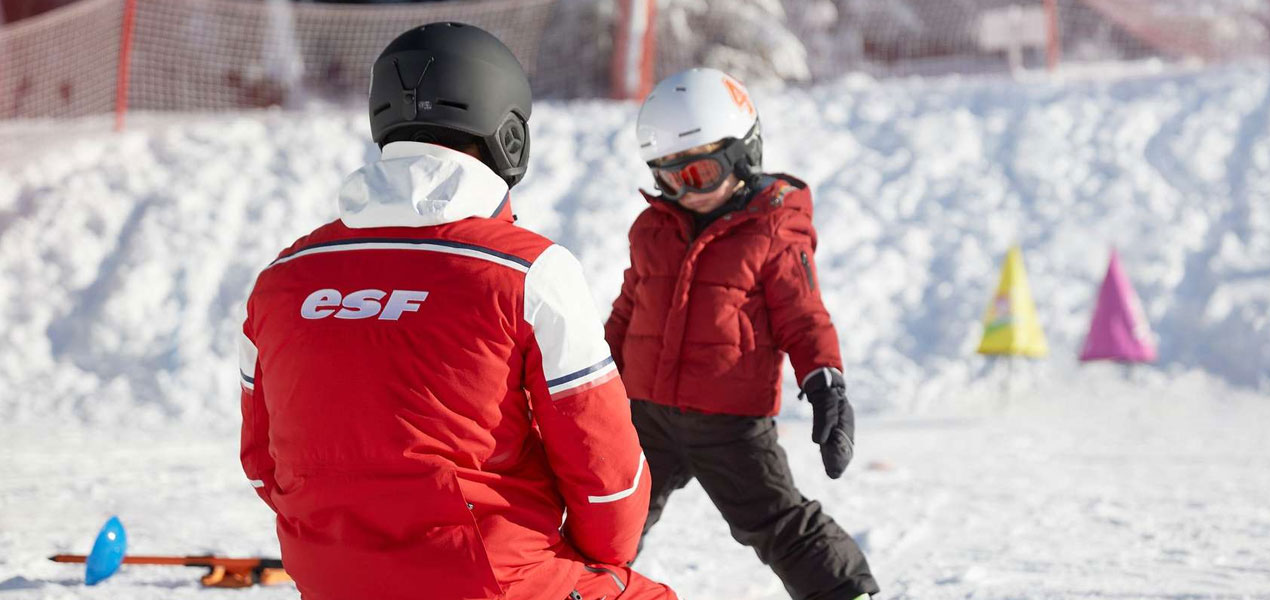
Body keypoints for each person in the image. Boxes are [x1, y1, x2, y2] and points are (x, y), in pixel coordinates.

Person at [238, 22, 675, 600]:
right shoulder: (528, 273)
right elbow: (608, 482)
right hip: (492, 581)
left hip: (330, 580)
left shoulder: (280, 279)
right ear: (509, 135)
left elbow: (262, 460)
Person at [605, 67, 879, 600]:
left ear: (742, 153)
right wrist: (586, 385)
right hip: (646, 416)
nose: (686, 192)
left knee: (776, 521)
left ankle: (847, 593)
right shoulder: (651, 229)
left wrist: (826, 381)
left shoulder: (773, 229)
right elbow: (626, 313)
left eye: (700, 173)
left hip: (728, 421)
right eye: (668, 176)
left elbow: (804, 315)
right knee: (607, 515)